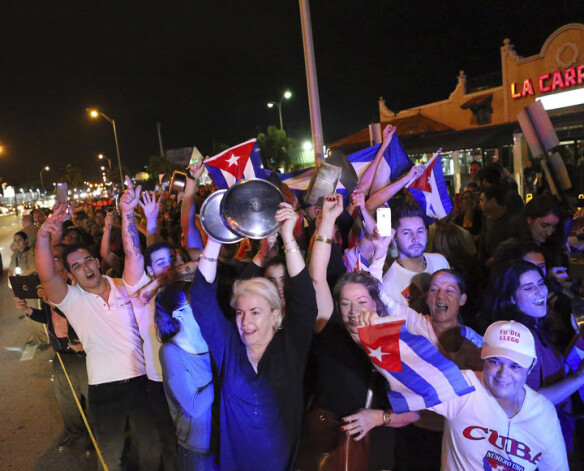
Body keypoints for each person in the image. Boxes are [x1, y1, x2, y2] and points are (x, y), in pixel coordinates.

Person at [35, 177, 158, 471]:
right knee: (111, 455)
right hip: (103, 388)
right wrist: (43, 236)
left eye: (88, 260)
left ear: (98, 262)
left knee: (151, 450)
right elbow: (47, 275)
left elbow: (134, 254)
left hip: (142, 381)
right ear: (72, 276)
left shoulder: (125, 285)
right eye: (76, 266)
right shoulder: (72, 299)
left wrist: (127, 214)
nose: (85, 267)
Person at [190, 202, 317, 471]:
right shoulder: (229, 348)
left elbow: (305, 297)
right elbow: (202, 299)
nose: (245, 322)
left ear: (276, 314)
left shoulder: (290, 346)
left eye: (255, 312)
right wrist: (214, 237)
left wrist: (288, 237)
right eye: (239, 313)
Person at [299, 194, 418, 471]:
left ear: (375, 303)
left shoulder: (394, 342)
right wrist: (327, 220)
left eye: (361, 302)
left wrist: (378, 418)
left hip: (376, 452)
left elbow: (416, 412)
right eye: (345, 303)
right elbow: (316, 277)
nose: (353, 310)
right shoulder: (331, 332)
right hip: (327, 449)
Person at [483, 261, 584, 468]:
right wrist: (580, 377)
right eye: (528, 288)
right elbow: (524, 400)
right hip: (534, 438)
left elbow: (552, 369)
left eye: (541, 283)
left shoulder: (538, 324)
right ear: (511, 297)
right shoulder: (516, 338)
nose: (540, 292)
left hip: (554, 426)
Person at [155, 285, 216, 471]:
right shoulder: (171, 352)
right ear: (179, 314)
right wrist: (227, 375)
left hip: (222, 439)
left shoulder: (209, 338)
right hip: (197, 447)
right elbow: (194, 406)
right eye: (193, 304)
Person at [381, 204, 449, 308]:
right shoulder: (388, 285)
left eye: (420, 231)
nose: (415, 238)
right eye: (407, 233)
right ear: (394, 239)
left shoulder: (440, 261)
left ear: (427, 234)